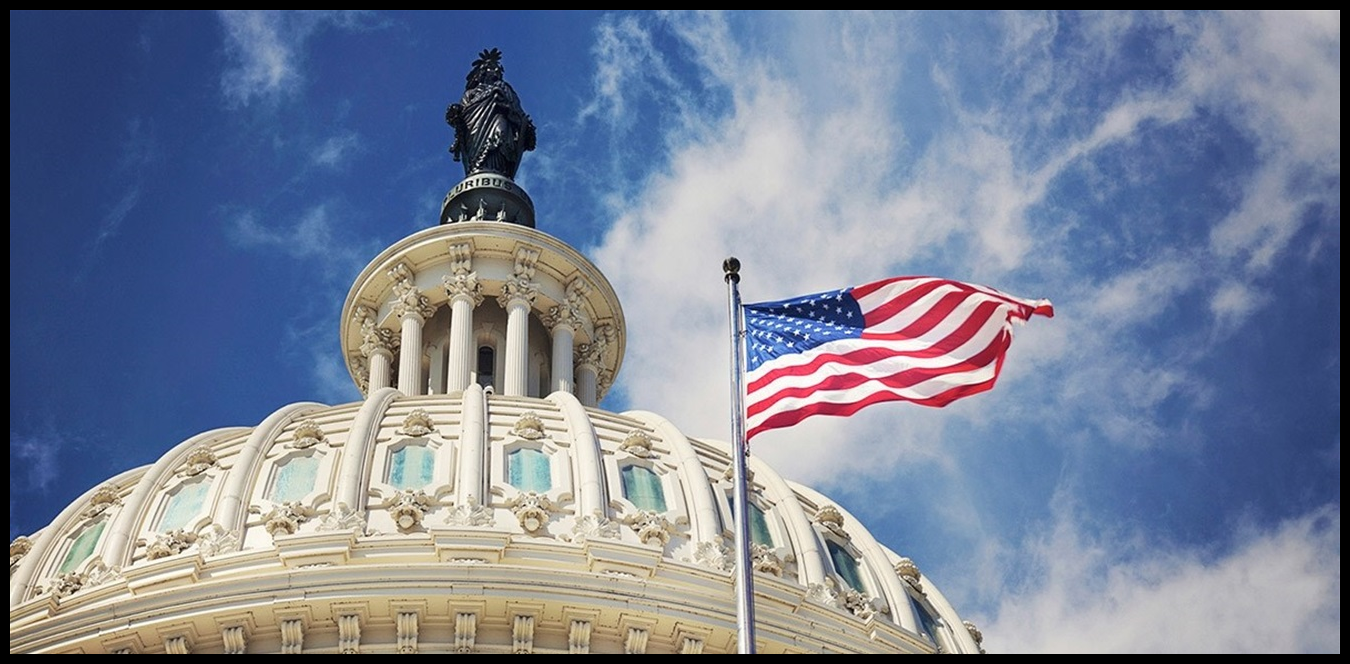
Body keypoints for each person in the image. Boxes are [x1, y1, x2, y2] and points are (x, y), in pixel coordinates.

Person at [446, 48, 536, 179]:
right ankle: (479, 169)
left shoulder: (504, 88)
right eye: (492, 67)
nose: (497, 70)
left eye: (498, 68)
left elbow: (517, 110)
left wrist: (507, 108)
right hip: (475, 129)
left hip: (499, 118)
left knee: (500, 135)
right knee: (477, 154)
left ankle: (498, 170)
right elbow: (462, 115)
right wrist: (454, 114)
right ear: (482, 72)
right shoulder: (470, 94)